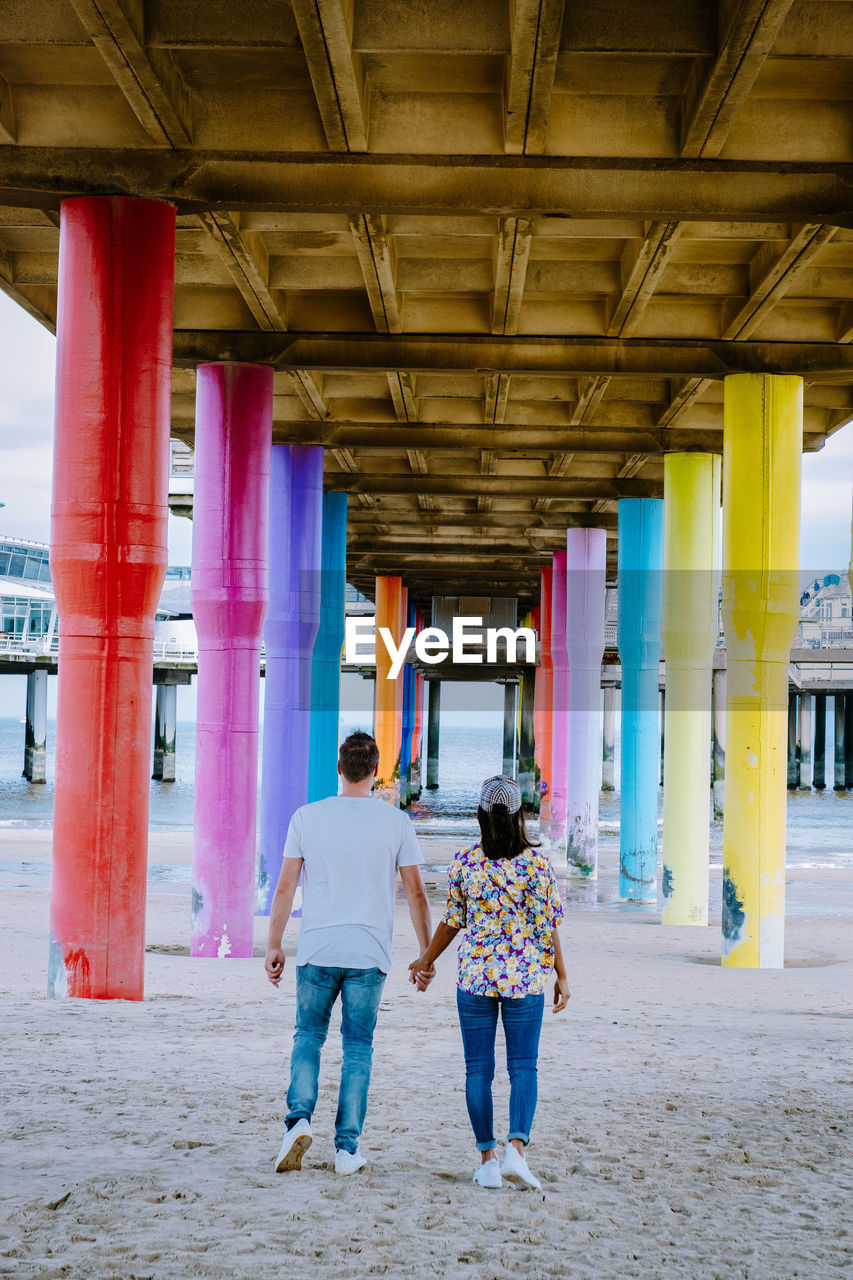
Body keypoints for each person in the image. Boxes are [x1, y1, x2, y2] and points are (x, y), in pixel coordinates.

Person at [265, 730, 433, 1175]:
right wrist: (425, 954)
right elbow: (416, 893)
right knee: (358, 1049)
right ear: (376, 773)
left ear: (339, 769)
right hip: (369, 952)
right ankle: (346, 1149)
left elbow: (284, 888)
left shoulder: (306, 817)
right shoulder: (396, 822)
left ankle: (298, 1121)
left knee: (308, 1037)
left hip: (319, 948)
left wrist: (274, 944)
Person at [409, 775, 569, 1190]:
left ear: (481, 814)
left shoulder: (466, 862)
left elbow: (452, 922)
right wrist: (562, 975)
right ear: (519, 815)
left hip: (476, 978)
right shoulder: (537, 865)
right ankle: (517, 1151)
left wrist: (425, 959)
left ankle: (488, 1160)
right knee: (523, 1067)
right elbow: (547, 925)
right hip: (525, 978)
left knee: (478, 1070)